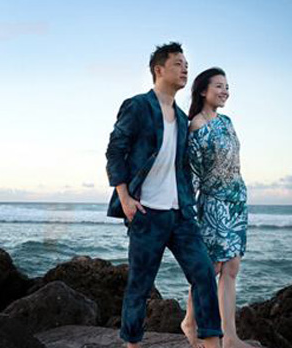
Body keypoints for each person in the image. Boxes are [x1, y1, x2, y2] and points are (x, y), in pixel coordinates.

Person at [106, 42, 223, 348]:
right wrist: (125, 198)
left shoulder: (183, 118)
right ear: (159, 70)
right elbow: (115, 151)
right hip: (147, 212)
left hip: (180, 214)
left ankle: (212, 344)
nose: (185, 70)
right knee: (140, 286)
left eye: (187, 65)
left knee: (204, 274)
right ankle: (132, 344)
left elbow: (182, 166)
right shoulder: (138, 106)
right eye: (178, 64)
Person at [181, 67, 251, 348]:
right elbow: (193, 173)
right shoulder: (196, 126)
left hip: (237, 202)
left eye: (227, 86)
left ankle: (230, 336)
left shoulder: (227, 121)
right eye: (219, 86)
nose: (225, 91)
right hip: (214, 203)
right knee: (210, 268)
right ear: (203, 90)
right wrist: (188, 208)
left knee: (232, 268)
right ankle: (190, 321)